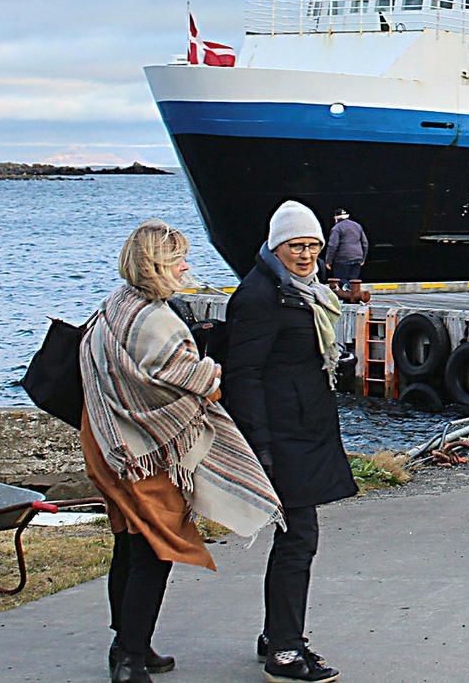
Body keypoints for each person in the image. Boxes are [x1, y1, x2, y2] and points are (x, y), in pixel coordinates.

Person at [81, 221, 281, 683]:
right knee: (156, 548)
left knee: (129, 545)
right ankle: (130, 660)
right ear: (157, 265)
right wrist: (213, 368)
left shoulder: (114, 306)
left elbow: (109, 374)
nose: (186, 265)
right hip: (145, 451)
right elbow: (196, 380)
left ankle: (129, 644)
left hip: (108, 442)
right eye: (178, 259)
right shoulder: (156, 319)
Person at [225, 201, 357, 682]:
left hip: (304, 427)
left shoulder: (305, 292)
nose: (305, 255)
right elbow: (245, 374)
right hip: (282, 437)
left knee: (296, 539)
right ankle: (284, 650)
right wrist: (260, 447)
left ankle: (276, 633)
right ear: (274, 245)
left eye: (313, 246)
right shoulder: (261, 296)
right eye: (295, 246)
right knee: (298, 539)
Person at [324, 209, 368, 290]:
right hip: (358, 257)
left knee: (341, 279)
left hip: (342, 258)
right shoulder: (357, 226)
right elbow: (365, 243)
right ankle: (353, 296)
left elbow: (332, 246)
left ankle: (347, 290)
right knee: (353, 280)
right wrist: (363, 258)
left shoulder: (336, 228)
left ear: (336, 218)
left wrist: (328, 261)